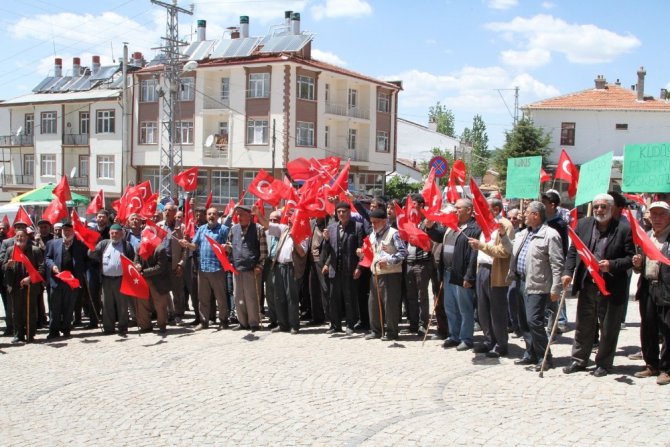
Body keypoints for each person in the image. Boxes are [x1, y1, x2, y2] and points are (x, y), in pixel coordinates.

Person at [562, 194, 634, 377]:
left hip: (610, 286)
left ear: (611, 209)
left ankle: (603, 363)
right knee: (584, 324)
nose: (599, 210)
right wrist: (567, 272)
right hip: (587, 283)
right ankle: (579, 360)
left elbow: (630, 259)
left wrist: (612, 265)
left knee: (608, 327)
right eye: (596, 207)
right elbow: (573, 251)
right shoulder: (584, 225)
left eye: (603, 207)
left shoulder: (623, 229)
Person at [507, 201, 564, 372]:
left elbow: (557, 263)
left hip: (538, 285)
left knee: (534, 321)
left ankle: (544, 357)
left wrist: (556, 288)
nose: (524, 215)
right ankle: (530, 352)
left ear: (536, 215)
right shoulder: (523, 233)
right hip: (520, 281)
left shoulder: (551, 235)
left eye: (527, 212)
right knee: (523, 322)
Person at [425, 198, 481, 351]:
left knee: (464, 308)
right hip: (448, 273)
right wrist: (430, 229)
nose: (455, 210)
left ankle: (466, 338)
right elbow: (439, 236)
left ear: (468, 210)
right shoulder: (453, 226)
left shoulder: (474, 228)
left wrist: (469, 276)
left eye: (458, 208)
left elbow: (473, 256)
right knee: (450, 306)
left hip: (461, 275)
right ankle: (453, 335)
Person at [468, 198, 515, 358]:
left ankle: (501, 344)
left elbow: (504, 251)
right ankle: (489, 340)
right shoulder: (484, 225)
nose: (480, 210)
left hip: (496, 272)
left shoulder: (505, 225)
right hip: (482, 269)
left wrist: (481, 246)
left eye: (484, 207)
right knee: (483, 309)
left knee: (497, 310)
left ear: (495, 209)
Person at [632, 201, 670, 385]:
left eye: (661, 214)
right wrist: (637, 264)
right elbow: (639, 266)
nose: (657, 218)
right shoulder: (646, 236)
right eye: (654, 214)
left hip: (667, 290)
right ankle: (651, 364)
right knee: (648, 328)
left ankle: (667, 368)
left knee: (667, 329)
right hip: (648, 287)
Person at [257, 206, 308, 334]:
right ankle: (282, 323)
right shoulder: (284, 229)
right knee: (279, 296)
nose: (291, 222)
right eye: (291, 220)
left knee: (291, 297)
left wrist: (294, 238)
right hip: (279, 267)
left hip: (292, 268)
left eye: (294, 220)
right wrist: (258, 213)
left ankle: (294, 325)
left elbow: (302, 253)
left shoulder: (303, 235)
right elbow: (267, 225)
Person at [179, 207, 230, 330]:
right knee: (203, 298)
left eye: (214, 214)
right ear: (206, 216)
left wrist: (226, 247)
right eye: (209, 214)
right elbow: (194, 246)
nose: (211, 216)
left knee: (221, 297)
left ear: (218, 216)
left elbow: (229, 246)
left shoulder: (223, 229)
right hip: (203, 269)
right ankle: (204, 321)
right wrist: (186, 244)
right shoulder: (201, 229)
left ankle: (223, 320)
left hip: (217, 268)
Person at [322, 201, 365, 335]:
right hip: (335, 269)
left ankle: (350, 324)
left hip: (350, 269)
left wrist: (359, 267)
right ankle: (335, 325)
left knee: (349, 298)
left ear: (349, 212)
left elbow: (361, 250)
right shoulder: (331, 227)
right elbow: (328, 250)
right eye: (339, 212)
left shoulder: (357, 227)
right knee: (333, 298)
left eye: (344, 211)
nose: (341, 214)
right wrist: (327, 240)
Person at [364, 207, 407, 341]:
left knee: (390, 304)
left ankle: (392, 332)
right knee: (373, 303)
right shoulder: (372, 234)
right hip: (376, 272)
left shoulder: (394, 233)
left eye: (376, 222)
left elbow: (403, 253)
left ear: (384, 221)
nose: (373, 225)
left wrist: (388, 261)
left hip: (391, 273)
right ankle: (376, 330)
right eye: (371, 222)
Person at [88, 223, 135, 336]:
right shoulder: (104, 244)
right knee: (107, 304)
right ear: (109, 234)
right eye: (112, 233)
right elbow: (92, 254)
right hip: (106, 280)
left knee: (122, 304)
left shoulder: (126, 245)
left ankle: (123, 327)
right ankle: (109, 328)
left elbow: (132, 259)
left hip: (121, 279)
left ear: (122, 234)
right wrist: (91, 247)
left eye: (116, 233)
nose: (114, 235)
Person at [226, 204, 267, 332]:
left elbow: (264, 251)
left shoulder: (258, 229)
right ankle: (242, 322)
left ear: (249, 215)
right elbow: (229, 245)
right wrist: (226, 248)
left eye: (242, 214)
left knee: (251, 297)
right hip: (237, 269)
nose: (239, 217)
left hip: (252, 269)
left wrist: (260, 266)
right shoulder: (233, 229)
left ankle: (254, 323)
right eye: (237, 214)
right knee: (238, 297)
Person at [44, 222, 88, 339]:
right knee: (55, 307)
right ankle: (54, 330)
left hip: (72, 281)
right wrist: (52, 266)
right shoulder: (52, 243)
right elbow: (47, 258)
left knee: (69, 307)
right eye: (64, 230)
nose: (66, 232)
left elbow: (86, 260)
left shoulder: (80, 245)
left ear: (73, 231)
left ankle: (66, 329)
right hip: (57, 280)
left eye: (69, 230)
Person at [2, 229, 45, 343]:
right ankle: (18, 334)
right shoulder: (10, 250)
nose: (19, 238)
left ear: (27, 237)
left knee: (30, 311)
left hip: (30, 285)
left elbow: (41, 269)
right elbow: (3, 267)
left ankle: (30, 334)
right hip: (15, 285)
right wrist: (8, 265)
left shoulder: (35, 250)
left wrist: (30, 279)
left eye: (22, 236)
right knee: (16, 312)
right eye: (17, 236)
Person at [404, 194, 433, 337]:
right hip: (409, 262)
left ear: (421, 206)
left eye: (413, 203)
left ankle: (423, 324)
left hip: (422, 263)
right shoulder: (408, 222)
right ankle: (413, 324)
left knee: (422, 296)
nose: (410, 206)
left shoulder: (426, 222)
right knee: (411, 296)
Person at [157, 204, 188, 324]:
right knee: (162, 290)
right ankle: (164, 314)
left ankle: (178, 314)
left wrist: (181, 264)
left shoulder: (181, 227)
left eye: (170, 210)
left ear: (175, 212)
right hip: (161, 263)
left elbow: (186, 248)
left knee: (177, 290)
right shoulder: (159, 226)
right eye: (165, 210)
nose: (167, 212)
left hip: (174, 263)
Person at [134, 235, 171, 335]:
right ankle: (145, 326)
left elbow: (160, 267)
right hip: (143, 280)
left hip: (158, 281)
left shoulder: (160, 249)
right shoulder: (139, 247)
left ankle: (162, 324)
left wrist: (143, 272)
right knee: (142, 304)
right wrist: (137, 265)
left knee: (160, 304)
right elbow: (136, 260)